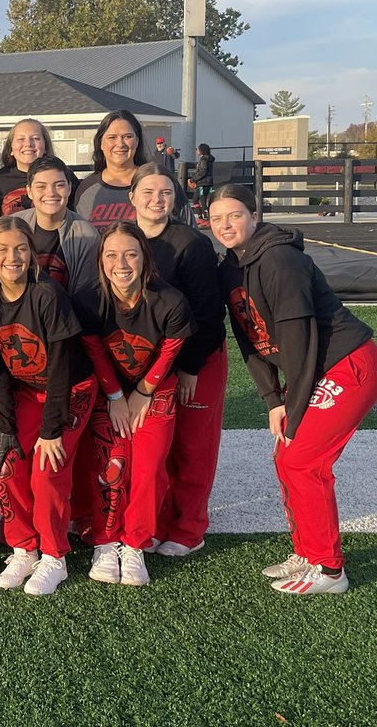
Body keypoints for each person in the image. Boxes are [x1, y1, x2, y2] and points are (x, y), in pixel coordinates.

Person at [209, 183, 377, 595]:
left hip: (345, 365)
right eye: (216, 219)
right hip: (311, 369)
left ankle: (329, 569)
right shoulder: (230, 269)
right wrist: (272, 398)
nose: (225, 225)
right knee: (288, 458)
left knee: (304, 460)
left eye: (234, 215)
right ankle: (308, 551)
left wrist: (294, 406)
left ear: (255, 216)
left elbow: (300, 340)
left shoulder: (279, 261)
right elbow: (248, 336)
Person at [0, 217, 97, 596]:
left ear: (32, 254)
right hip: (27, 390)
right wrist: (4, 425)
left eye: (20, 249)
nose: (12, 257)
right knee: (9, 462)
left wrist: (50, 431)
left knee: (48, 469)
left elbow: (62, 366)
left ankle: (54, 555)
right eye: (3, 249)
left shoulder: (47, 294)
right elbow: (0, 368)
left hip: (69, 389)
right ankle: (24, 545)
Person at [79, 222, 195, 587]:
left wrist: (143, 392)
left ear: (145, 258)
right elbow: (96, 351)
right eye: (111, 255)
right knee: (111, 464)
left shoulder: (171, 300)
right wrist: (115, 396)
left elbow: (170, 350)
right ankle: (105, 539)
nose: (121, 263)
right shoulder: (89, 298)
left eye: (131, 253)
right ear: (101, 261)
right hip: (107, 390)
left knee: (148, 467)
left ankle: (135, 542)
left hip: (154, 389)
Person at [127, 164, 227, 558]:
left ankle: (189, 527)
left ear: (175, 198)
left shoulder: (191, 244)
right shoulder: (121, 239)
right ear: (131, 196)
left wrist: (190, 367)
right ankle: (155, 521)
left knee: (192, 446)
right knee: (154, 449)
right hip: (149, 363)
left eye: (165, 192)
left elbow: (208, 315)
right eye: (148, 191)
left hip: (194, 359)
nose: (156, 199)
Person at [76, 112, 195, 229]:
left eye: (128, 136)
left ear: (137, 141)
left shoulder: (162, 182)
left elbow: (191, 233)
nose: (120, 144)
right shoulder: (86, 188)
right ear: (100, 143)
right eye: (112, 137)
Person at [13, 156, 99, 296]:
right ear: (29, 191)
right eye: (41, 186)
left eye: (59, 185)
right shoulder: (14, 227)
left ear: (69, 188)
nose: (51, 193)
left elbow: (84, 295)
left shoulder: (87, 236)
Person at [0, 118, 77, 217]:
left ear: (45, 146)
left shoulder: (63, 175)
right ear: (10, 149)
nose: (28, 144)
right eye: (21, 139)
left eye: (35, 138)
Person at [191, 143, 216, 222]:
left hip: (203, 183)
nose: (197, 151)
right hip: (207, 182)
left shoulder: (204, 160)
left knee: (202, 200)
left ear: (201, 150)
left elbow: (202, 172)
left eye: (198, 149)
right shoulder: (209, 159)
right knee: (196, 199)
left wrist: (193, 179)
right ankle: (201, 217)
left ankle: (205, 218)